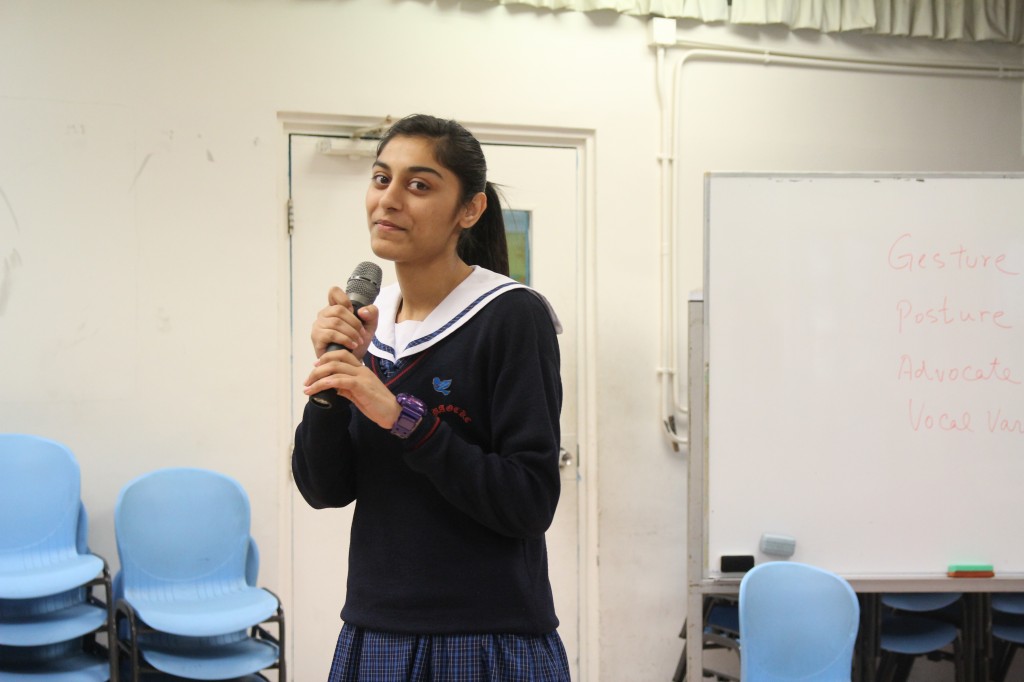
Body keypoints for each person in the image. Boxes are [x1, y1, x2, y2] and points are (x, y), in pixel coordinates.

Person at [292, 113, 570, 682]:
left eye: (418, 185)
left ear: (469, 209)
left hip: (487, 634)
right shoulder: (371, 324)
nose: (389, 199)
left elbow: (529, 501)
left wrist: (403, 419)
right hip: (375, 627)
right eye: (381, 178)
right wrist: (330, 388)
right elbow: (324, 490)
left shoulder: (511, 315)